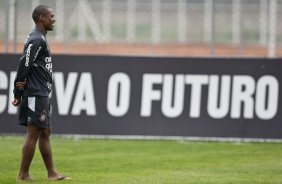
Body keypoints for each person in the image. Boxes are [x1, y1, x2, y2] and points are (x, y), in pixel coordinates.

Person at [12, 5, 70, 181]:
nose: (54, 19)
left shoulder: (40, 38)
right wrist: (17, 92)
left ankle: (51, 173)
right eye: (51, 16)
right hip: (35, 93)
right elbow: (24, 65)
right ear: (42, 18)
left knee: (45, 132)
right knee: (34, 133)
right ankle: (23, 174)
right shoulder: (37, 39)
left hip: (41, 92)